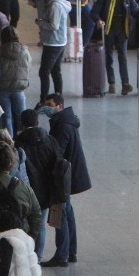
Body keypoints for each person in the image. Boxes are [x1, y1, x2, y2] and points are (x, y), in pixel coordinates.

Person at [42, 94, 92, 267]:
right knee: (68, 211)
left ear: (60, 106)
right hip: (69, 174)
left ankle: (62, 255)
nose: (47, 108)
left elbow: (58, 152)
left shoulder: (62, 126)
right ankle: (71, 252)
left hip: (63, 176)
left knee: (61, 213)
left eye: (50, 105)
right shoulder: (66, 121)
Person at [17, 109, 66, 258]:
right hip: (47, 189)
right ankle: (37, 258)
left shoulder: (18, 142)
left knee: (25, 223)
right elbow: (59, 162)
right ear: (37, 123)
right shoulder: (50, 140)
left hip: (27, 189)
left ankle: (26, 254)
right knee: (41, 224)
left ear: (22, 124)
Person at [91, 0, 139, 95]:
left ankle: (125, 84)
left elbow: (136, 11)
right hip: (109, 29)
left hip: (122, 30)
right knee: (108, 57)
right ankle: (112, 83)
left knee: (123, 58)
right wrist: (98, 20)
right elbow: (94, 12)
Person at [0, 144, 43, 241]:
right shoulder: (23, 187)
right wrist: (30, 237)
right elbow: (36, 214)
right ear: (10, 164)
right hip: (18, 239)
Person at [35, 0, 69, 104]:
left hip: (53, 42)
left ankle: (43, 100)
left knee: (44, 72)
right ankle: (58, 97)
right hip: (60, 41)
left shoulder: (55, 5)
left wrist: (41, 23)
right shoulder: (62, 2)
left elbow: (54, 25)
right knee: (56, 70)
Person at [0, 27, 31, 134]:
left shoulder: (0, 52)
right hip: (19, 88)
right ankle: (22, 139)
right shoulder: (25, 51)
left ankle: (9, 142)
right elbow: (29, 66)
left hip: (3, 89)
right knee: (21, 117)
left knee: (6, 118)